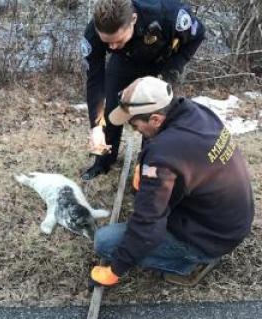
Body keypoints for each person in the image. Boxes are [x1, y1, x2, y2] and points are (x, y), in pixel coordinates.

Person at [90, 76, 254, 287]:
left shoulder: (163, 156)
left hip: (208, 237)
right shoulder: (194, 111)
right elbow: (170, 153)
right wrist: (145, 163)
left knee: (104, 242)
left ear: (156, 119)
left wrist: (116, 270)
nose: (134, 129)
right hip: (230, 221)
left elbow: (148, 225)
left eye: (134, 124)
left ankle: (187, 262)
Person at [80, 0, 205, 180]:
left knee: (152, 118)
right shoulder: (95, 32)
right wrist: (96, 126)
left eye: (117, 40)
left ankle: (147, 166)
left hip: (160, 64)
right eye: (107, 43)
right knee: (111, 112)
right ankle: (104, 161)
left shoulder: (170, 16)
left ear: (133, 19)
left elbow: (198, 35)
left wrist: (172, 70)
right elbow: (95, 80)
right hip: (124, 61)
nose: (111, 47)